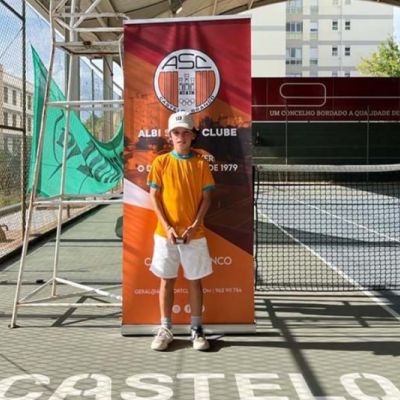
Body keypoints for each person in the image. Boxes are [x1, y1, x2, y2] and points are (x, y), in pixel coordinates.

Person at [147, 111, 215, 351]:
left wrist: (194, 226)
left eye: (186, 132)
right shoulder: (161, 162)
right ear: (170, 135)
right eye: (176, 132)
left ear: (193, 136)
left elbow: (207, 198)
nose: (181, 137)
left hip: (194, 235)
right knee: (167, 280)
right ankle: (165, 328)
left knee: (195, 280)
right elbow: (154, 196)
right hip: (164, 235)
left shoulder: (201, 164)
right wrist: (167, 228)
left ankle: (196, 329)